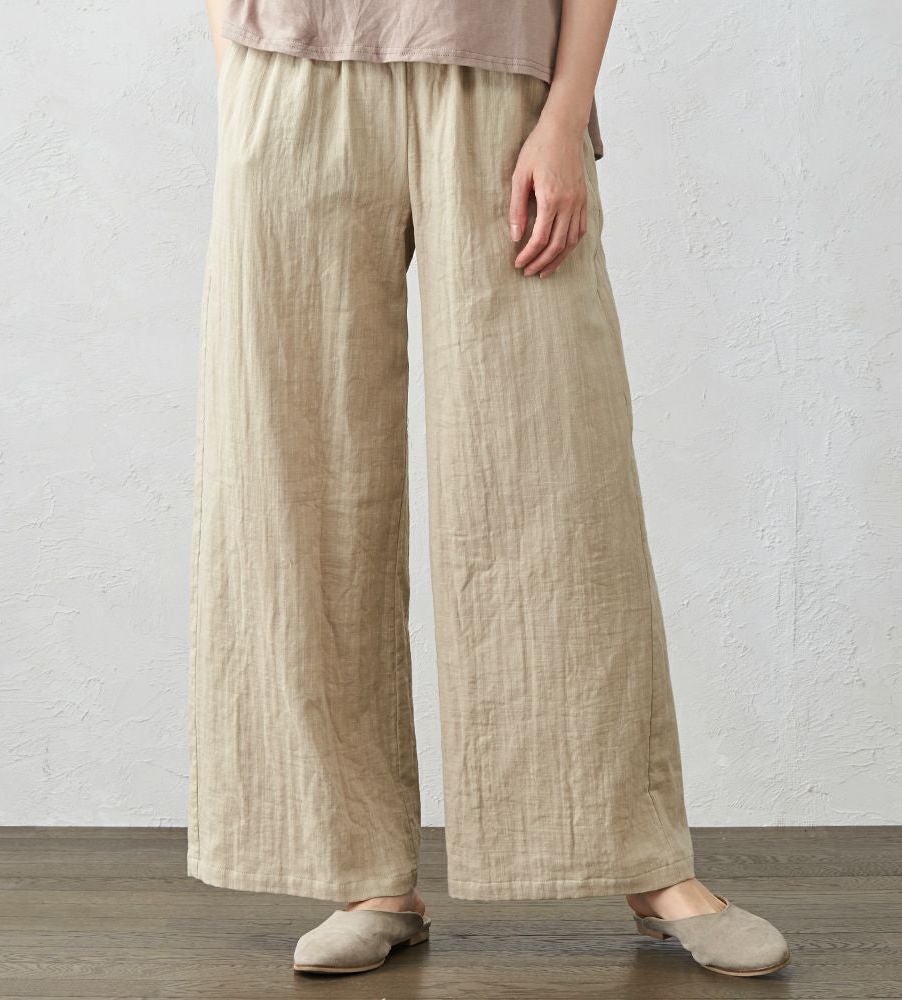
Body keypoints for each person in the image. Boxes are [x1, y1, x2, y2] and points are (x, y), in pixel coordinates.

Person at [188, 0, 791, 979]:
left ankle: (643, 861)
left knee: (555, 476)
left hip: (498, 80)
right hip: (290, 76)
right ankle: (365, 875)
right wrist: (238, 83)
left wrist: (564, 114)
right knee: (297, 484)